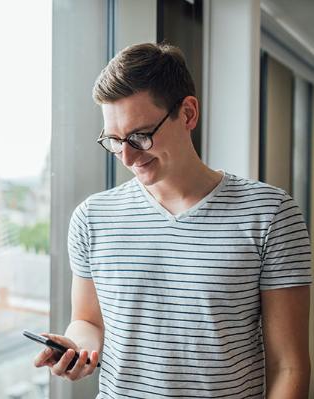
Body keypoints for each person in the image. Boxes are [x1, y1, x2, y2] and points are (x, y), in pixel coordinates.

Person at [33, 42, 311, 398]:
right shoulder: (92, 218)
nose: (129, 157)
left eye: (139, 136)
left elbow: (289, 365)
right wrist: (78, 348)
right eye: (114, 141)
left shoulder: (270, 214)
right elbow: (88, 320)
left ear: (188, 113)